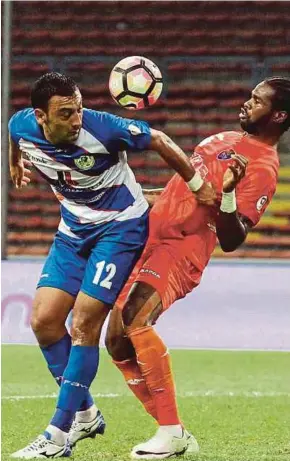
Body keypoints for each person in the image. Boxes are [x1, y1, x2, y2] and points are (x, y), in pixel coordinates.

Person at [8, 72, 215, 459]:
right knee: (44, 322)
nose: (76, 120)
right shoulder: (21, 125)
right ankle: (85, 413)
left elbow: (159, 139)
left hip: (119, 230)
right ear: (41, 116)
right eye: (66, 113)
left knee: (84, 324)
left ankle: (57, 435)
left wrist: (195, 182)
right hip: (73, 229)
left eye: (79, 109)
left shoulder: (103, 128)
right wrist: (16, 162)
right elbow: (13, 134)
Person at [105, 76, 290, 459]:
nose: (246, 104)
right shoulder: (220, 139)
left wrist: (226, 193)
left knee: (137, 320)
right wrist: (123, 197)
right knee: (116, 342)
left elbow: (233, 238)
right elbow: (177, 191)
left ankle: (169, 431)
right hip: (148, 240)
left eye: (257, 101)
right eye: (250, 96)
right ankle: (175, 431)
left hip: (182, 250)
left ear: (279, 116)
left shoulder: (264, 168)